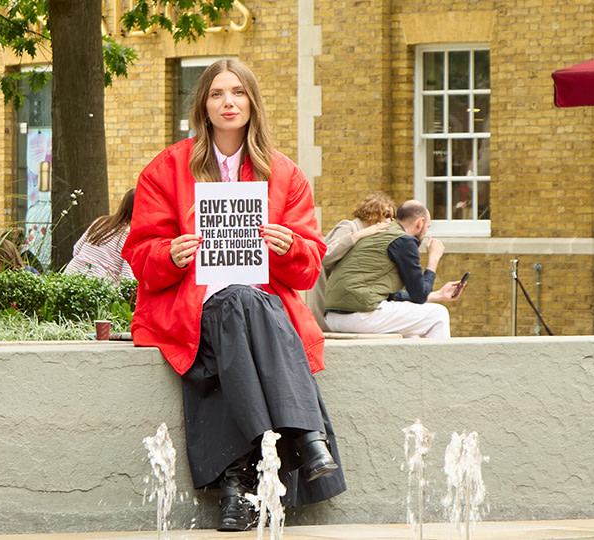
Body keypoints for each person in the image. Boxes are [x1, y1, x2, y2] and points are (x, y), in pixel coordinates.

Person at [123, 58, 345, 532]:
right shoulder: (167, 169)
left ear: (252, 104)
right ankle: (308, 436)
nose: (228, 102)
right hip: (189, 304)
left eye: (238, 93)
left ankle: (236, 487)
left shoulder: (285, 175)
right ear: (203, 106)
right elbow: (140, 255)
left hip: (261, 308)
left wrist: (288, 247)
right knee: (232, 304)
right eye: (218, 94)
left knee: (240, 302)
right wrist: (173, 253)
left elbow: (308, 268)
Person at [323, 200, 464, 338]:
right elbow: (419, 295)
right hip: (359, 314)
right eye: (427, 227)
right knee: (438, 315)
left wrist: (437, 295)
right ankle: (440, 362)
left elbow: (392, 295)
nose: (426, 232)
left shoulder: (379, 233)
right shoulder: (404, 241)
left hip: (334, 317)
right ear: (420, 223)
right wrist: (433, 260)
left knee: (412, 333)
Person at [305, 193, 395, 330]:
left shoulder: (371, 237)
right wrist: (358, 236)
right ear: (373, 213)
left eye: (391, 217)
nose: (389, 221)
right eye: (386, 215)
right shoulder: (349, 227)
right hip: (325, 295)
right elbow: (326, 256)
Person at [63, 188, 136, 284]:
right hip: (96, 290)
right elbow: (127, 279)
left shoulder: (101, 222)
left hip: (69, 278)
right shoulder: (131, 236)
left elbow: (76, 250)